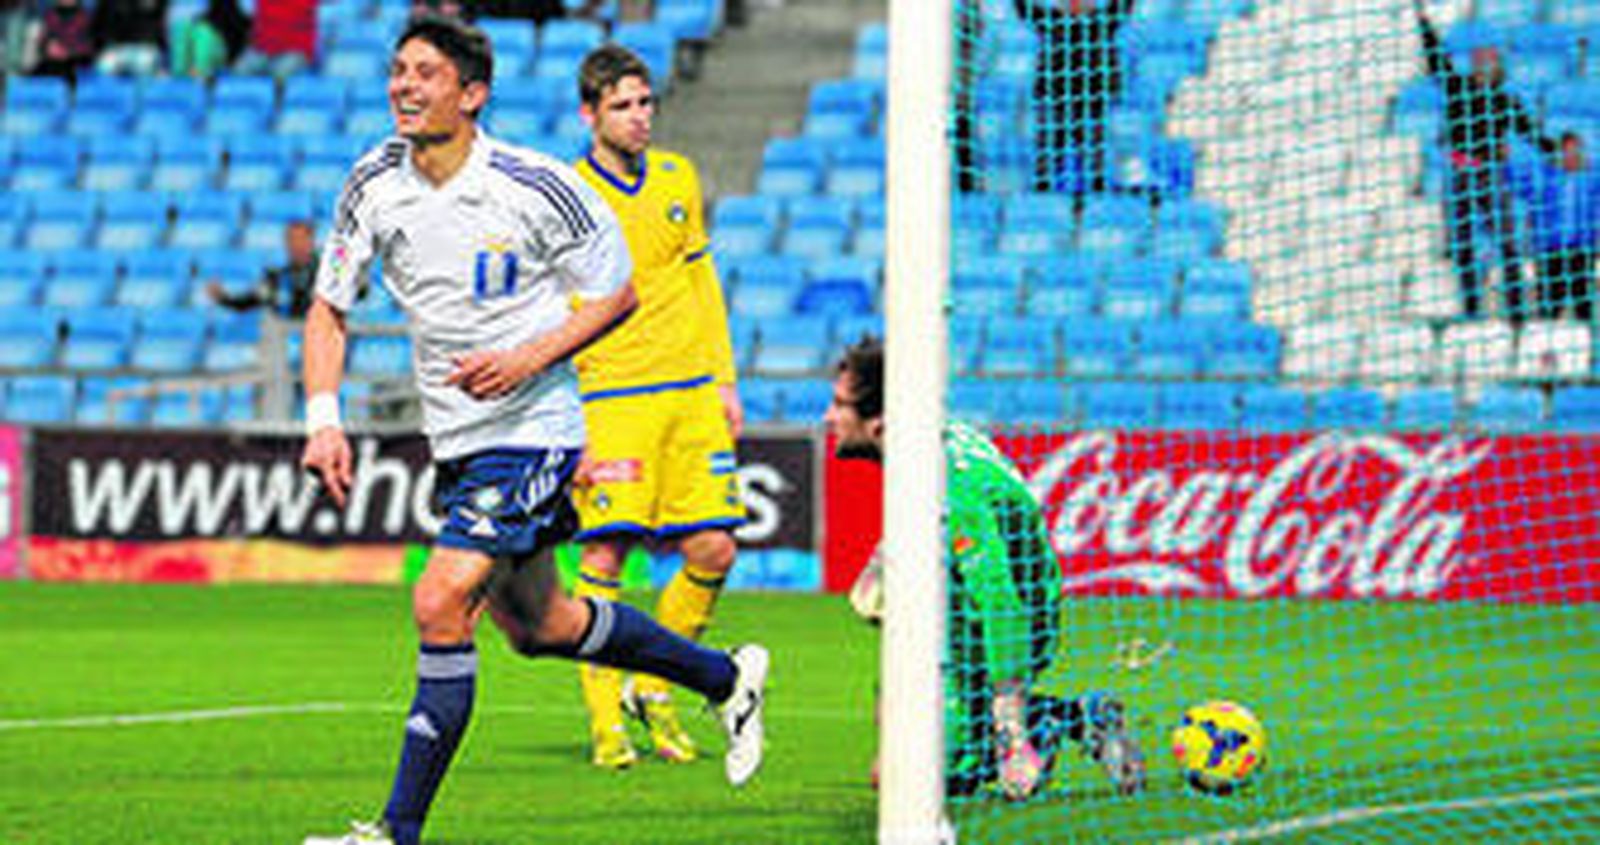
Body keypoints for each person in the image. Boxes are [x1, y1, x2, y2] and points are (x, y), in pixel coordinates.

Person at [299, 17, 767, 845]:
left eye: (427, 74)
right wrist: (324, 418)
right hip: (460, 438)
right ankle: (726, 677)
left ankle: (393, 833)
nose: (404, 86)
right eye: (399, 70)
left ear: (472, 95)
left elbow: (615, 294)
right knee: (540, 627)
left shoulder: (532, 183)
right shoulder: (373, 179)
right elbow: (330, 306)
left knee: (441, 597)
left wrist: (527, 358)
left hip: (535, 429)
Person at [825, 337, 1145, 801]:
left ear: (880, 422)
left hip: (1008, 626)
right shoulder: (927, 442)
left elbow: (1000, 601)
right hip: (958, 615)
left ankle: (1056, 720)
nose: (827, 417)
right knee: (898, 757)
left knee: (919, 778)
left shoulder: (951, 485)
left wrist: (1009, 731)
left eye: (839, 405)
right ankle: (1032, 721)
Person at [564, 44, 747, 770]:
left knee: (715, 548)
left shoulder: (678, 177)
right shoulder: (569, 195)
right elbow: (550, 307)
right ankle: (606, 719)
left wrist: (724, 378)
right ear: (590, 114)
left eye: (646, 103)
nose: (640, 117)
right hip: (610, 396)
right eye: (623, 106)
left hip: (692, 393)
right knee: (607, 552)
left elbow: (701, 283)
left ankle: (654, 685)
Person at [1414, 0, 1557, 324]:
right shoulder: (1457, 88)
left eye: (1489, 58)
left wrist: (1554, 152)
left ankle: (1517, 310)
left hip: (1490, 175)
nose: (1482, 61)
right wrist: (1424, 22)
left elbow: (1530, 133)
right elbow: (1436, 58)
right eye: (1479, 57)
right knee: (1461, 244)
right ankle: (1470, 308)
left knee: (1507, 245)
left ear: (1497, 66)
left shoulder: (1506, 100)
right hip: (1459, 173)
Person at [1012, 0, 1135, 194]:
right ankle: (1042, 202)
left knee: (1094, 159)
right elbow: (1022, 8)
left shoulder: (1102, 20)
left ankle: (1097, 204)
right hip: (1056, 101)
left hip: (1092, 103)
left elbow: (1125, 5)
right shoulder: (1050, 19)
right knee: (1048, 158)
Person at [1515, 132, 1600, 321]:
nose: (1572, 156)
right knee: (1549, 305)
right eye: (1566, 151)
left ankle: (1586, 343)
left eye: (1576, 150)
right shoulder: (1545, 177)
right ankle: (1546, 343)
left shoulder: (1592, 179)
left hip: (1582, 249)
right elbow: (1518, 186)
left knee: (1583, 305)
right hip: (1550, 249)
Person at [207, 220, 320, 319]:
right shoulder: (275, 277)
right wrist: (223, 298)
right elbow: (249, 301)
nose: (296, 245)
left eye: (301, 239)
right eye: (291, 239)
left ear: (311, 242)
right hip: (281, 335)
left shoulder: (324, 276)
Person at [234, 0, 315, 80]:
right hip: (263, 49)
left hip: (296, 50)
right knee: (239, 72)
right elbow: (246, 10)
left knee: (280, 75)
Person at [170, 0, 251, 80]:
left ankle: (194, 70)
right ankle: (187, 71)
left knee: (201, 31)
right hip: (220, 43)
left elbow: (238, 23)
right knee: (184, 28)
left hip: (223, 45)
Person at [91, 0, 167, 77]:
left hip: (144, 47)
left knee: (143, 66)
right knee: (104, 68)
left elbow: (161, 24)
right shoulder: (107, 3)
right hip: (116, 48)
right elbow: (97, 26)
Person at [31, 0, 94, 83]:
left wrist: (69, 52)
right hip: (52, 64)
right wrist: (47, 46)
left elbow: (90, 46)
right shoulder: (49, 16)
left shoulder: (86, 18)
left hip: (77, 65)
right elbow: (44, 40)